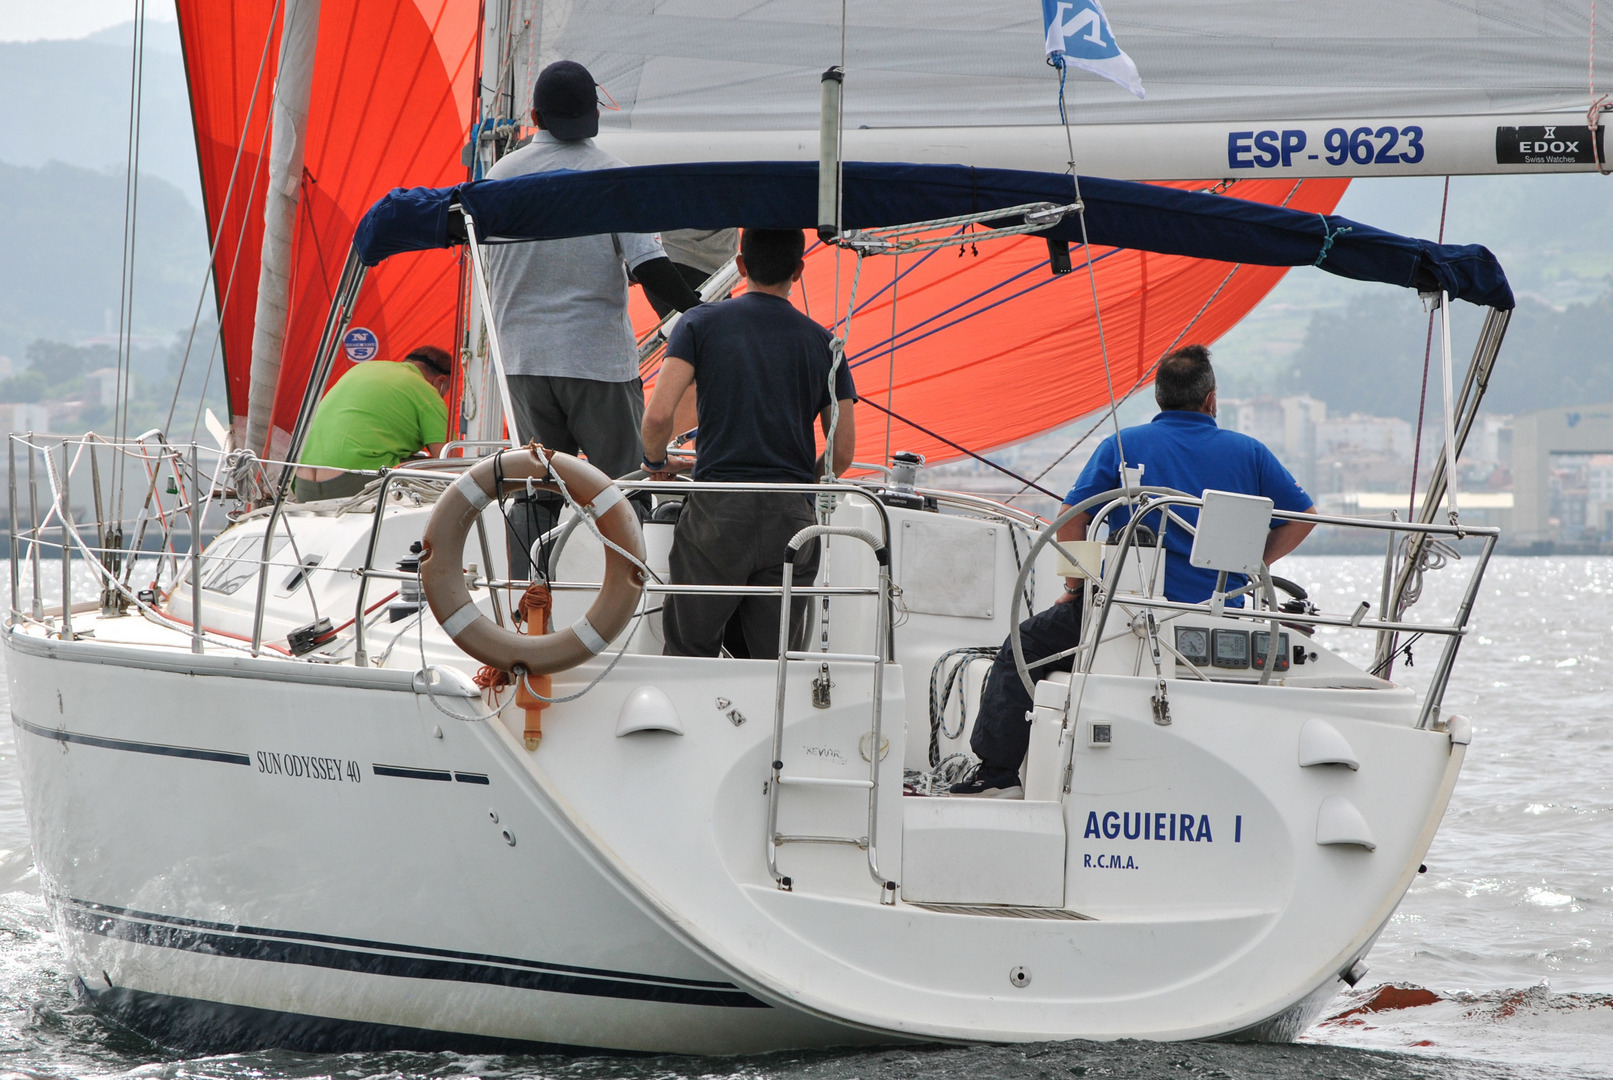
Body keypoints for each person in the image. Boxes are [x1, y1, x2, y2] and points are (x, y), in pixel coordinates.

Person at [952, 344, 1317, 797]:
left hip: (1126, 618)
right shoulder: (1251, 453)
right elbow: (1303, 517)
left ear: (1159, 398)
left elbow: (1072, 519)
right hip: (1219, 617)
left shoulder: (1123, 445)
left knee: (1024, 644)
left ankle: (997, 775)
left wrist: (1075, 586)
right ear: (1211, 400)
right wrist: (1251, 567)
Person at [482, 59, 704, 569]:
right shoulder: (613, 177)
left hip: (523, 361)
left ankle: (528, 598)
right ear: (595, 116)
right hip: (595, 362)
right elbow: (651, 268)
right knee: (624, 487)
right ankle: (628, 598)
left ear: (535, 116)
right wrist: (702, 317)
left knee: (536, 490)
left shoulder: (499, 176)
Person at [640, 228, 857, 659]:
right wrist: (806, 481)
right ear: (798, 270)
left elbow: (658, 417)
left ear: (740, 265)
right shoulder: (825, 344)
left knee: (688, 653)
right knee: (774, 665)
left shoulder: (698, 324)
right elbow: (843, 451)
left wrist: (656, 461)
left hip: (716, 514)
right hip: (791, 518)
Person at [294, 346, 455, 501]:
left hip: (303, 485)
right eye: (445, 392)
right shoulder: (425, 390)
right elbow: (449, 464)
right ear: (440, 382)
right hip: (349, 484)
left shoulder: (361, 369)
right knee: (440, 473)